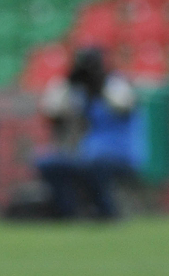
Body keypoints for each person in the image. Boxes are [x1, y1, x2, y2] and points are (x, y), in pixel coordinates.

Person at [35, 47, 145, 219]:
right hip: (87, 155)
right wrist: (68, 83)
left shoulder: (116, 84)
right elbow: (52, 113)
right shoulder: (78, 91)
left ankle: (107, 213)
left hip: (121, 155)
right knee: (48, 164)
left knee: (95, 166)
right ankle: (67, 213)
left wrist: (100, 85)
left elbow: (123, 106)